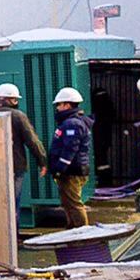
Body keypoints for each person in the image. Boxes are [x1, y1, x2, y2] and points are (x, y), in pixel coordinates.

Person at [0, 83, 47, 218]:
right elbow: (32, 141)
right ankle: (13, 235)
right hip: (16, 166)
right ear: (12, 100)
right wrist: (43, 162)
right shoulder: (18, 116)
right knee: (13, 203)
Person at [47, 87, 94, 228]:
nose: (58, 108)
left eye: (59, 105)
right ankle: (73, 229)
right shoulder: (72, 122)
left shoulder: (72, 124)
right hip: (71, 169)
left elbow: (70, 149)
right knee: (68, 202)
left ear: (67, 105)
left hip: (71, 171)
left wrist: (60, 168)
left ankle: (82, 233)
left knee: (74, 203)